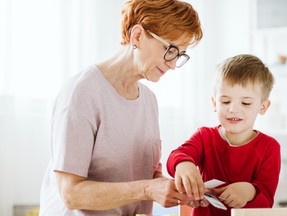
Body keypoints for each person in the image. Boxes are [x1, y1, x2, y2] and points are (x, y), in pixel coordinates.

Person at [39, 0, 203, 215]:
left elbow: (146, 175)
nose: (173, 64)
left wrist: (172, 189)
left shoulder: (149, 101)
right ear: (137, 36)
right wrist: (147, 189)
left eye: (180, 55)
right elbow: (71, 193)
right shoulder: (82, 94)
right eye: (170, 49)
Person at [166, 54, 281, 216]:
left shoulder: (270, 148)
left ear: (263, 107)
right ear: (214, 103)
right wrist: (183, 164)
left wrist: (250, 192)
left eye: (245, 103)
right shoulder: (204, 136)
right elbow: (176, 156)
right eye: (225, 101)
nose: (233, 109)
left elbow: (266, 203)